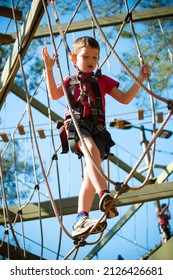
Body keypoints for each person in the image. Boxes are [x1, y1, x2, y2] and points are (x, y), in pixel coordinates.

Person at [42, 36, 151, 239]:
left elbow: (125, 99)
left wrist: (140, 79)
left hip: (98, 129)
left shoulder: (102, 81)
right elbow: (54, 94)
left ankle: (80, 219)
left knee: (90, 177)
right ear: (74, 58)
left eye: (95, 57)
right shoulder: (70, 81)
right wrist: (49, 69)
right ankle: (105, 195)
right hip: (77, 125)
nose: (91, 60)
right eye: (85, 56)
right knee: (91, 152)